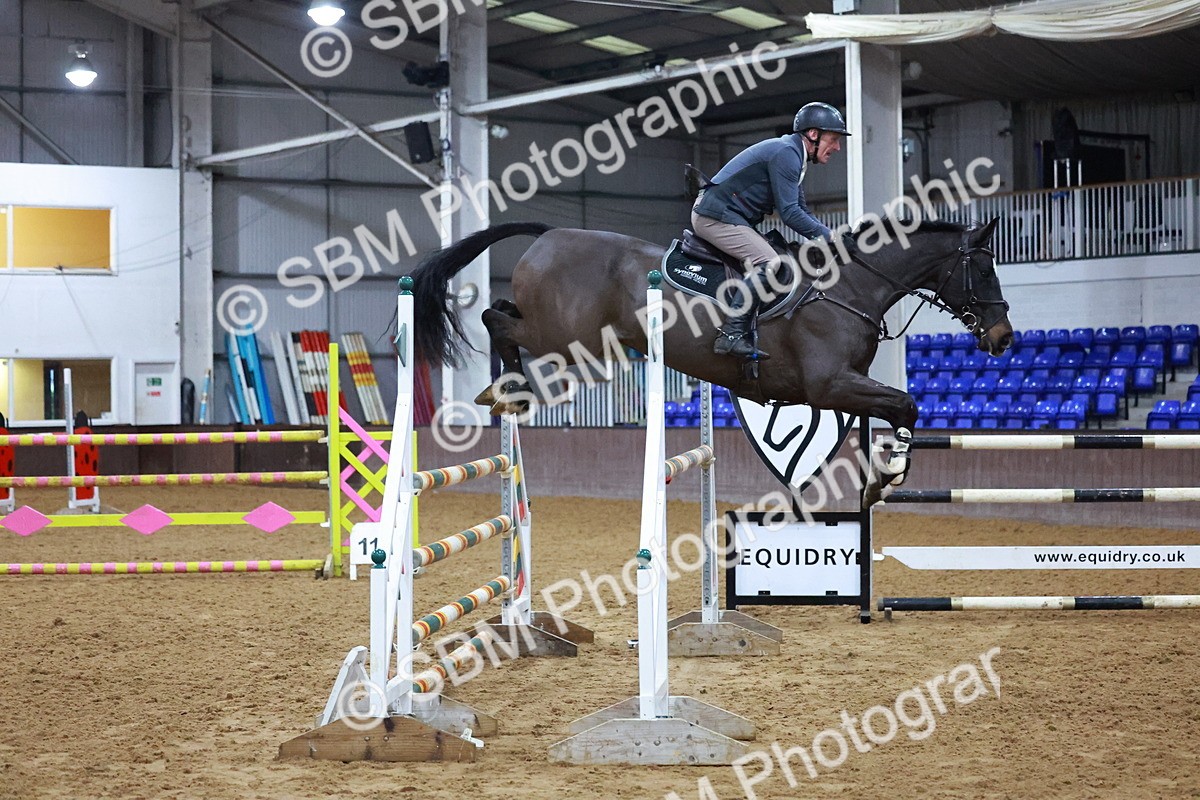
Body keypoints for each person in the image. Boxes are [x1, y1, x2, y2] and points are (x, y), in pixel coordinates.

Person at [692, 102, 854, 360]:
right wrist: (829, 237)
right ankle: (731, 335)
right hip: (715, 217)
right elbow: (789, 213)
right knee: (769, 262)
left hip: (730, 216)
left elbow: (802, 209)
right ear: (813, 134)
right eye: (833, 139)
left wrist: (830, 237)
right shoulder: (787, 154)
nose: (837, 147)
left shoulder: (795, 156)